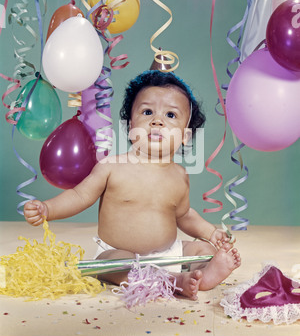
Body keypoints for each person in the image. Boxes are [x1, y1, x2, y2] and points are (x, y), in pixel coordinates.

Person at [24, 70, 241, 300]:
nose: (157, 121)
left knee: (203, 251)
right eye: (147, 111)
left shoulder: (179, 175)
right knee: (114, 264)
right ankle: (173, 281)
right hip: (119, 254)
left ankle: (205, 275)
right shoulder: (111, 167)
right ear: (130, 126)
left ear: (185, 136)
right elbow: (79, 196)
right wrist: (47, 209)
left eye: (170, 115)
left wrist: (211, 232)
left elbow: (184, 215)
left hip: (168, 253)